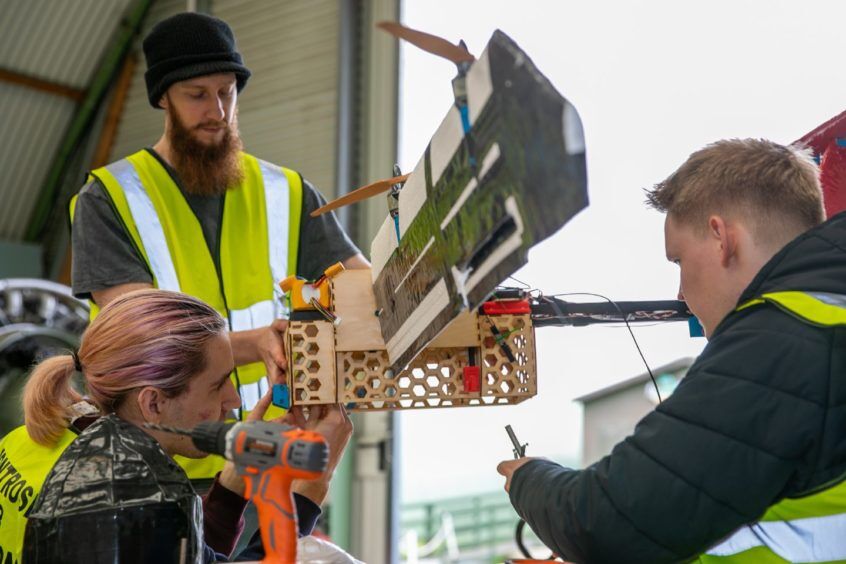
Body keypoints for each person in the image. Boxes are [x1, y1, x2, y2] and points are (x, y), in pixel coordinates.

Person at [497, 139, 846, 562]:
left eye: (678, 261)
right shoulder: (828, 312)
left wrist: (528, 479)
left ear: (722, 238)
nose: (679, 294)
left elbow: (606, 523)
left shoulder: (782, 337)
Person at [69, 11, 368, 483]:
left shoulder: (286, 192)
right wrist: (260, 344)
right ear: (163, 97)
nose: (218, 111)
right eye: (197, 95)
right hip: (158, 462)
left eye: (227, 92)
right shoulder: (109, 199)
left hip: (269, 452)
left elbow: (362, 289)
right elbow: (142, 343)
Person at [0, 289, 351, 562]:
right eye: (218, 384)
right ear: (152, 403)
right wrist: (311, 490)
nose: (234, 402)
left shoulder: (34, 439)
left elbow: (175, 553)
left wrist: (233, 484)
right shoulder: (132, 496)